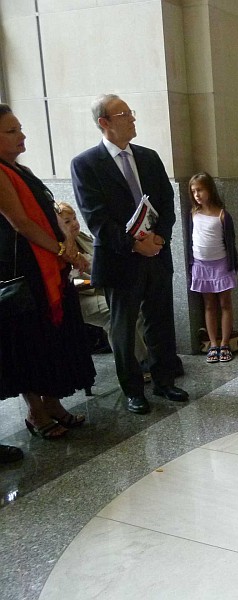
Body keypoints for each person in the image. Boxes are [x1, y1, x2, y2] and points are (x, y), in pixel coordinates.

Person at [71, 94, 189, 415]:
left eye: (130, 112)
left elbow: (166, 203)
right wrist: (135, 245)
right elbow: (96, 219)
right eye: (124, 114)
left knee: (160, 323)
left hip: (157, 255)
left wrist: (160, 237)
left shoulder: (149, 157)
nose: (133, 118)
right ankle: (133, 391)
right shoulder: (85, 164)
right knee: (123, 330)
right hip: (119, 261)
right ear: (104, 123)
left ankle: (164, 381)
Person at [0, 103, 95, 446]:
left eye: (20, 128)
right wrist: (60, 250)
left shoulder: (21, 170)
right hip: (25, 271)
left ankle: (53, 402)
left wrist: (69, 247)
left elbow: (49, 215)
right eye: (11, 131)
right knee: (30, 340)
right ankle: (36, 411)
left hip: (50, 265)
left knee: (55, 337)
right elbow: (21, 223)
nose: (22, 135)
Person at [55, 202, 149, 373]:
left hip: (100, 288)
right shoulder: (59, 248)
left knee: (136, 306)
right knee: (116, 314)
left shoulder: (82, 237)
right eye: (67, 221)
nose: (74, 223)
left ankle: (136, 359)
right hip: (79, 298)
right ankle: (138, 363)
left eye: (75, 218)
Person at [187, 172, 238, 364]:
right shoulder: (193, 214)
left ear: (210, 189)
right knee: (209, 305)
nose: (197, 195)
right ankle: (213, 343)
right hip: (201, 265)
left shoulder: (222, 215)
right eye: (193, 191)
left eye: (200, 190)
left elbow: (230, 242)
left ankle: (225, 343)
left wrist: (232, 266)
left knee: (225, 303)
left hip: (221, 264)